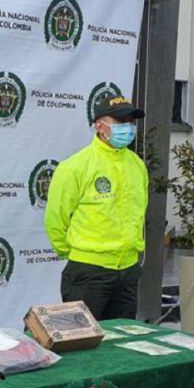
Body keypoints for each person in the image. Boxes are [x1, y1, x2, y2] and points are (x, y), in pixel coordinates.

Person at [44, 96, 148, 320]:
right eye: (120, 122)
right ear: (100, 126)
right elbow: (56, 219)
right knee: (83, 341)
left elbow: (139, 213)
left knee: (122, 344)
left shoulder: (137, 165)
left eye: (130, 122)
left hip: (128, 270)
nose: (128, 128)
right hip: (89, 271)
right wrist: (77, 253)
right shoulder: (75, 166)